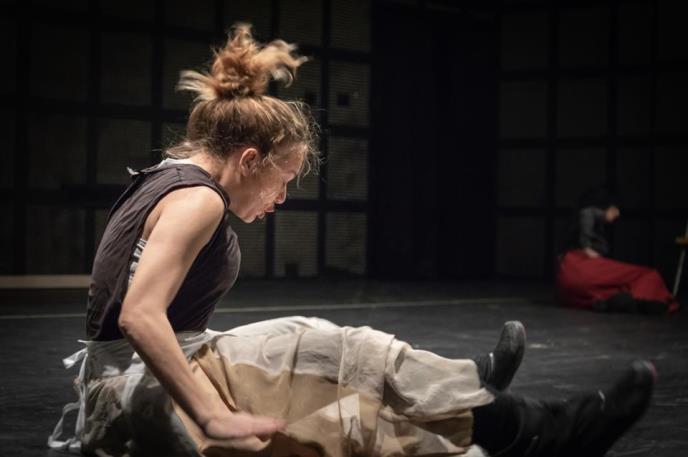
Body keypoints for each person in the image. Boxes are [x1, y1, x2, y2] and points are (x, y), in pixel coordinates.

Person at [49, 25, 656, 457]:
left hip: (138, 377)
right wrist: (209, 413)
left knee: (333, 360)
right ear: (249, 159)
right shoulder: (200, 198)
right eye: (283, 180)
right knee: (339, 376)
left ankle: (484, 401)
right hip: (136, 389)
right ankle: (527, 423)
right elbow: (139, 316)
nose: (281, 198)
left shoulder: (168, 176)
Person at [557, 187, 680, 314]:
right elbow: (586, 213)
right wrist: (587, 248)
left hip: (568, 285)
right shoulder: (588, 215)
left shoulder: (577, 238)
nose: (617, 213)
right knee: (648, 275)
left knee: (615, 289)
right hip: (582, 270)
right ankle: (653, 301)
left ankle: (617, 301)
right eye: (615, 208)